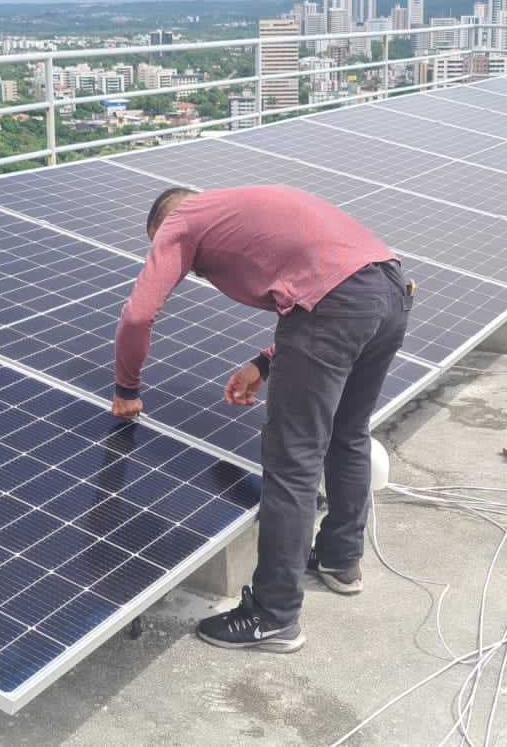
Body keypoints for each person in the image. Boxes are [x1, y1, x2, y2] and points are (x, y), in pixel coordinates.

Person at [111, 185, 412, 653]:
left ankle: (274, 616)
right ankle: (340, 560)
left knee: (292, 460)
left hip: (336, 306)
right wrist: (266, 363)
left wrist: (127, 389)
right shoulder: (235, 206)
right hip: (390, 289)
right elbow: (335, 284)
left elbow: (137, 316)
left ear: (162, 225)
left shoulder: (180, 220)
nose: (186, 268)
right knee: (348, 433)